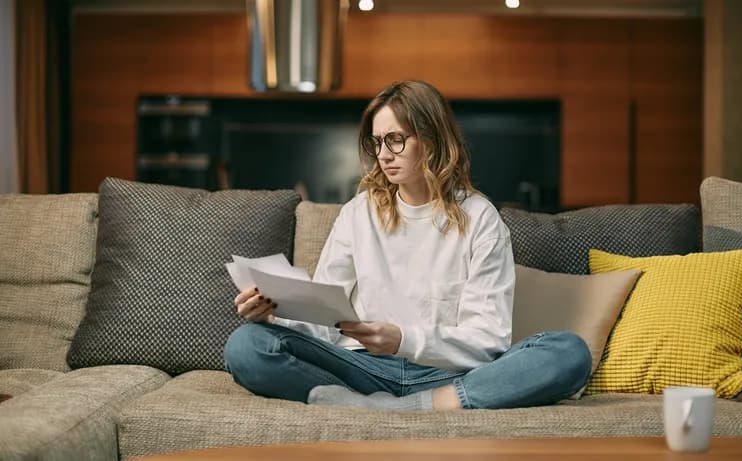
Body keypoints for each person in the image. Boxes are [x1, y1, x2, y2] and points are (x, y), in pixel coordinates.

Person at [224, 80, 591, 410]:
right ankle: (367, 401)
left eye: (396, 139)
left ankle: (407, 405)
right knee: (247, 345)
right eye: (378, 142)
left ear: (431, 140)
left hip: (448, 376)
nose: (384, 154)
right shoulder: (359, 212)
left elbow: (488, 340)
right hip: (360, 368)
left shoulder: (480, 217)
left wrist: (403, 339)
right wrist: (276, 313)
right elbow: (325, 323)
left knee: (568, 353)